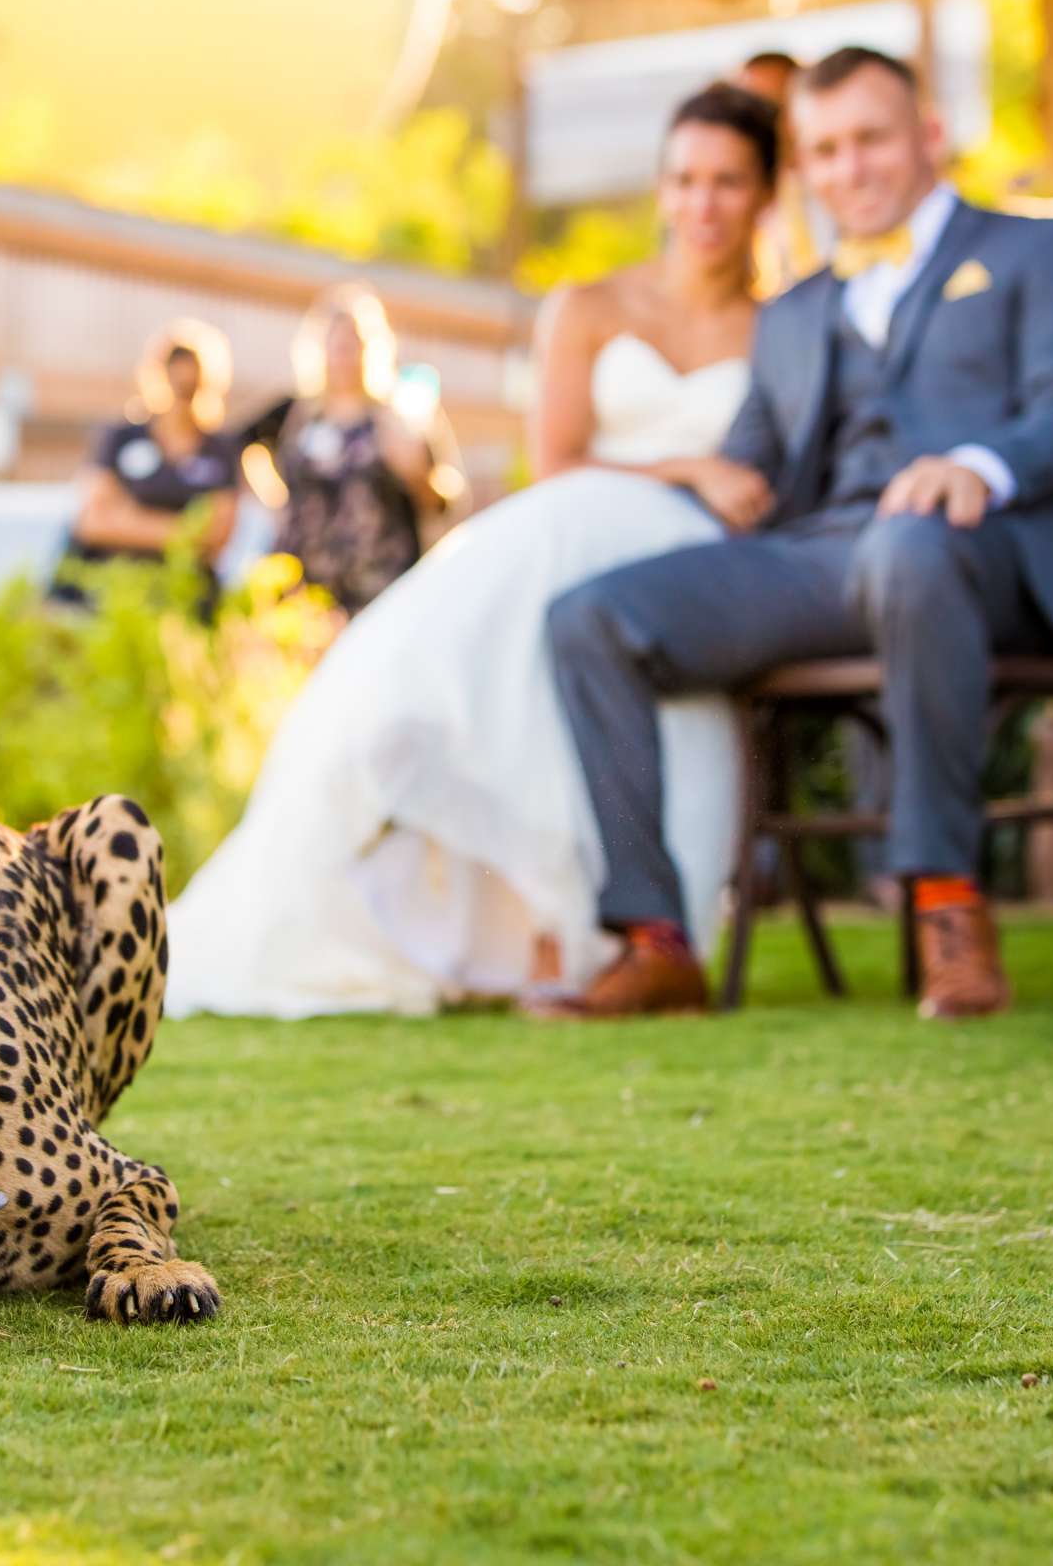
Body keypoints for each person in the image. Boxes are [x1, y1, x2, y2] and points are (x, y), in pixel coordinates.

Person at [164, 84, 777, 1017]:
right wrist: (694, 465)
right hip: (578, 517)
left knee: (585, 668)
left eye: (729, 182)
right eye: (685, 179)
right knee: (460, 657)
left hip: (697, 559)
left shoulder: (787, 325)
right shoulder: (590, 305)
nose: (703, 203)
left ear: (767, 194)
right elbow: (563, 458)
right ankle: (514, 913)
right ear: (660, 188)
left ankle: (589, 927)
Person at [543, 47, 1053, 1020]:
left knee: (911, 542)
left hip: (986, 551)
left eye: (871, 140)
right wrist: (704, 480)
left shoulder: (1040, 250)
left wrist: (975, 466)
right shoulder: (798, 311)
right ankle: (657, 937)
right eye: (825, 150)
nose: (850, 168)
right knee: (592, 617)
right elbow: (752, 460)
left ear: (929, 136)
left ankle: (947, 902)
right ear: (804, 168)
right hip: (822, 558)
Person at [262, 284, 467, 614]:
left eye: (353, 343)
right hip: (307, 595)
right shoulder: (299, 416)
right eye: (336, 343)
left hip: (377, 592)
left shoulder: (399, 414)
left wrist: (415, 474)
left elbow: (446, 502)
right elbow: (241, 446)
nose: (344, 353)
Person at [49, 322, 241, 606]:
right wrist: (182, 530)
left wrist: (129, 517)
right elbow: (93, 521)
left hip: (180, 589)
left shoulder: (220, 450)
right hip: (106, 582)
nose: (180, 394)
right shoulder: (121, 438)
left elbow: (216, 538)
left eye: (190, 385)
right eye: (174, 379)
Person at [734, 50, 836, 295]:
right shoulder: (739, 199)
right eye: (747, 114)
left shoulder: (843, 177)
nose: (761, 126)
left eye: (771, 108)